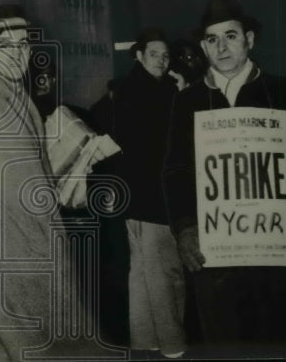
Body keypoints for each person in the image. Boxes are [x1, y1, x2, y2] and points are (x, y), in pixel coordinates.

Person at [162, 0, 286, 357]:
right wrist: (185, 226)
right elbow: (176, 170)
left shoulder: (283, 92)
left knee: (281, 341)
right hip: (217, 254)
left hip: (276, 252)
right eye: (212, 39)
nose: (221, 47)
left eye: (231, 36)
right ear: (203, 47)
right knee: (224, 344)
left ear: (249, 39)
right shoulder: (189, 101)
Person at [0, 5, 109, 361]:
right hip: (5, 253)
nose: (17, 54)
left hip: (35, 244)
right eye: (6, 46)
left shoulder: (17, 95)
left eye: (24, 44)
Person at [97, 28, 186, 359]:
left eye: (165, 56)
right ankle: (173, 344)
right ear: (138, 55)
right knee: (167, 274)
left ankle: (145, 340)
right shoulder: (159, 92)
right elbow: (170, 142)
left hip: (132, 197)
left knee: (142, 274)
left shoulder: (122, 89)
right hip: (155, 196)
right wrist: (182, 93)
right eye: (154, 54)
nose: (161, 61)